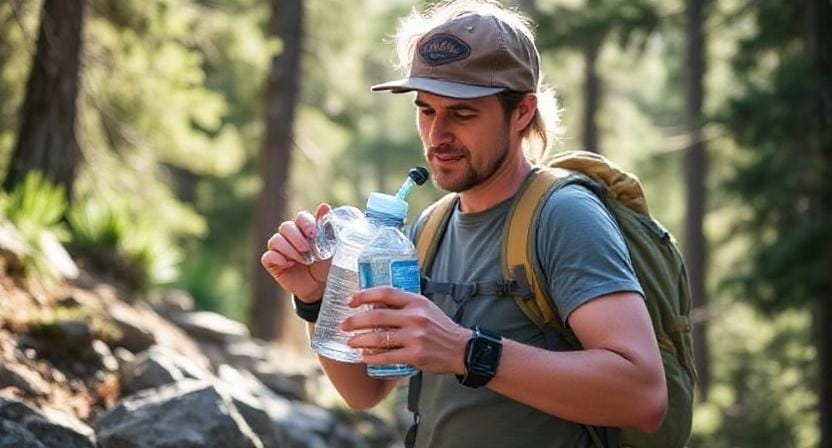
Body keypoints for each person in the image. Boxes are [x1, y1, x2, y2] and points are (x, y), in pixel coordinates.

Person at [261, 1, 667, 447]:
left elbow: (643, 396)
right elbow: (367, 390)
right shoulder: (428, 230)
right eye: (427, 110)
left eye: (463, 112)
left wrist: (465, 351)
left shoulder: (563, 216)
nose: (437, 136)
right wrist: (316, 297)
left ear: (522, 112)